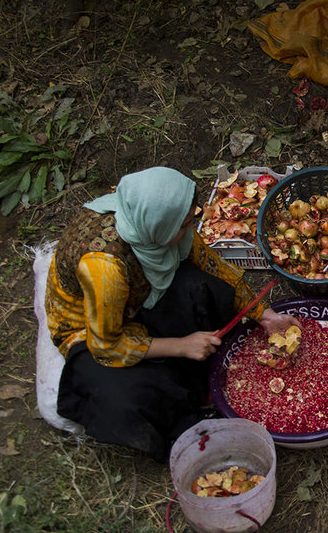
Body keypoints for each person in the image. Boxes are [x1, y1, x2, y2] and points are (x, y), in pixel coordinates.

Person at [45, 166, 297, 461]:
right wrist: (181, 345)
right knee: (125, 395)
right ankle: (184, 418)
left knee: (204, 287)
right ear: (160, 227)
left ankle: (195, 378)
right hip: (92, 330)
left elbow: (213, 266)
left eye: (191, 219)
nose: (191, 229)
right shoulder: (104, 267)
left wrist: (264, 315)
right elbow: (106, 345)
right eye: (185, 224)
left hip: (139, 301)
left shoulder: (149, 218)